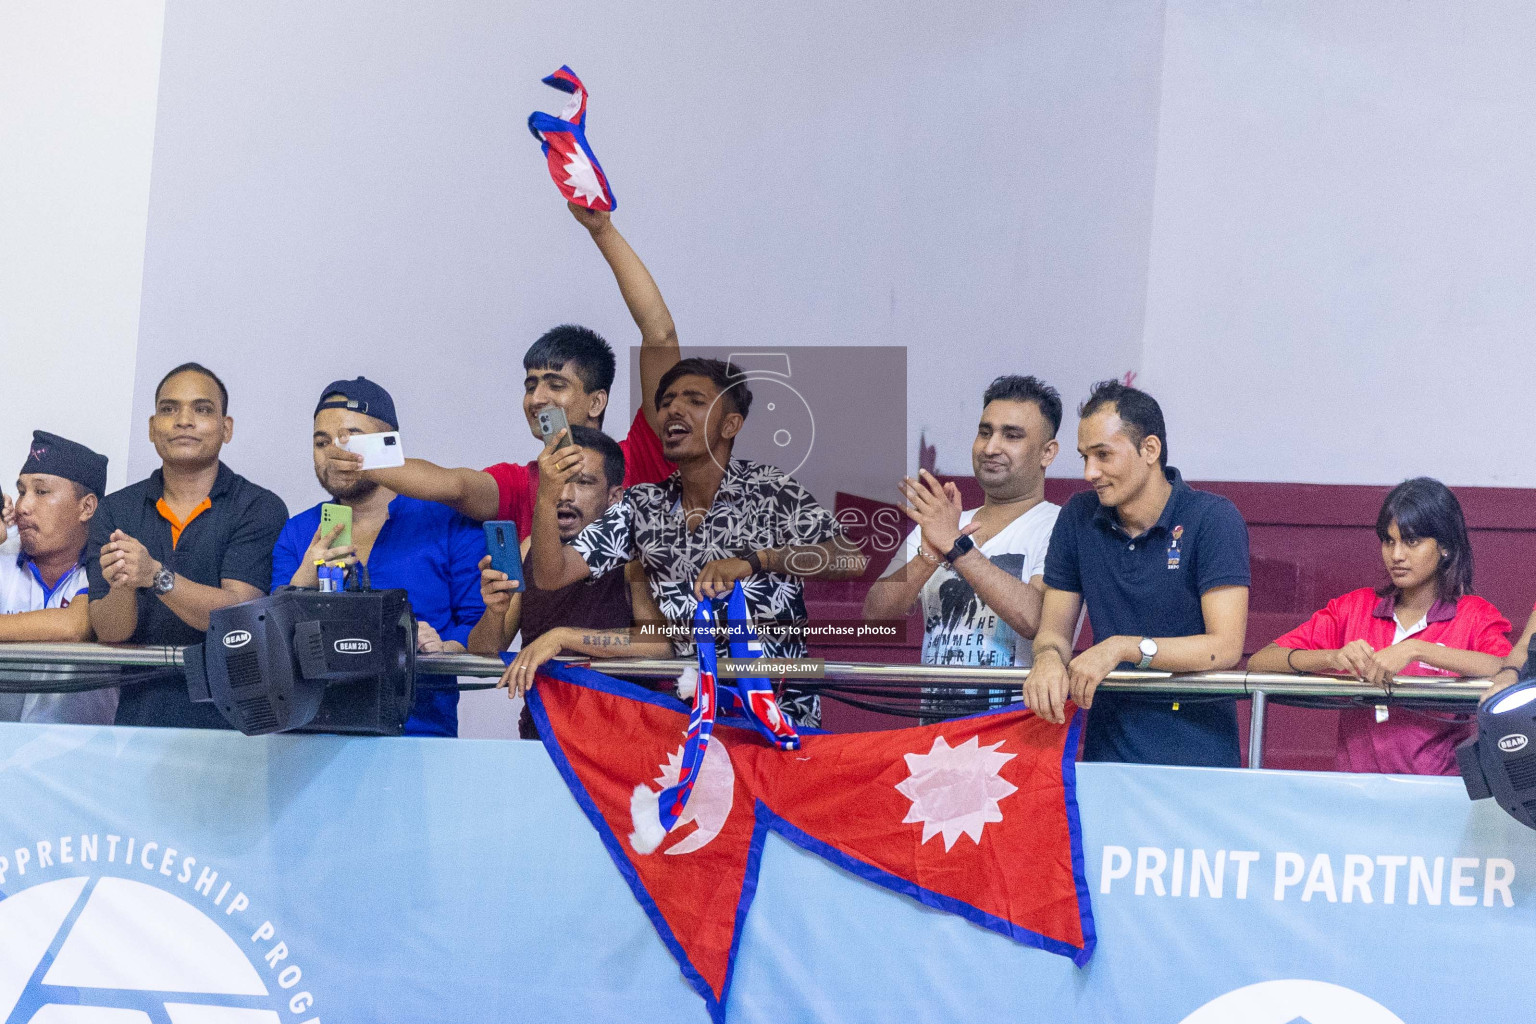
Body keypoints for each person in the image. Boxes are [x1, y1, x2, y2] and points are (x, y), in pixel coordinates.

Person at [528, 357, 869, 727]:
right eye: (666, 401)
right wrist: (546, 497)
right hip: (693, 723)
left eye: (694, 400)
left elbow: (850, 559)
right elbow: (552, 575)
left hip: (780, 720)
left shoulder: (770, 489)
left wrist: (758, 560)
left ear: (729, 424)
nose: (673, 409)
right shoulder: (643, 505)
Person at [319, 204, 679, 534]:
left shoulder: (641, 456)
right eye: (530, 384)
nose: (537, 398)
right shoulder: (520, 484)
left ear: (597, 402)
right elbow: (454, 485)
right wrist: (357, 457)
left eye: (556, 384)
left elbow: (660, 336)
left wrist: (602, 231)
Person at [1026, 380, 1250, 766]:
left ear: (1150, 449)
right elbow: (1054, 631)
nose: (1089, 472)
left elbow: (1224, 648)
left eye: (1103, 455)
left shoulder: (1213, 517)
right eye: (1084, 457)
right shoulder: (1077, 516)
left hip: (1198, 752)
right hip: (1108, 748)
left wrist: (1122, 647)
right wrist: (1047, 657)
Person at [270, 378, 486, 737]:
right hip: (311, 740)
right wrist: (305, 576)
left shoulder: (447, 522)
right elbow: (271, 638)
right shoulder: (298, 531)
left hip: (419, 736)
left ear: (391, 446)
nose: (334, 453)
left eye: (350, 439)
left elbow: (481, 627)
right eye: (321, 442)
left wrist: (446, 647)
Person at [1249, 477, 1510, 775]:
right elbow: (1261, 660)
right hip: (1357, 795)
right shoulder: (1353, 608)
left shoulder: (1475, 614)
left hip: (1441, 797)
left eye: (1411, 541)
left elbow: (1505, 667)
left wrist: (1416, 650)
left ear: (1446, 547)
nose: (1396, 555)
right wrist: (1332, 657)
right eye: (1389, 540)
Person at [87, 363, 289, 729]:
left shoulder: (258, 507)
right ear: (152, 428)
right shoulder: (116, 510)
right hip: (141, 718)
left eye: (202, 409)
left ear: (226, 429)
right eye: (169, 408)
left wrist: (155, 575)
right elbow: (111, 632)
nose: (184, 420)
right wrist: (123, 583)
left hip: (235, 722)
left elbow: (238, 615)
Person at [863, 375, 1063, 721]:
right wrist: (929, 554)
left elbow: (1037, 620)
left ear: (1048, 452)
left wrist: (957, 547)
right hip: (936, 732)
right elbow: (875, 615)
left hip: (1018, 737)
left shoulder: (1062, 526)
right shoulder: (940, 525)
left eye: (1012, 435)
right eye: (985, 432)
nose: (990, 447)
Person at [474, 426, 673, 730]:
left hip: (624, 739)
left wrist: (563, 637)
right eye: (558, 482)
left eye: (583, 482)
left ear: (613, 497)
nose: (565, 496)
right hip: (544, 736)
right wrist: (494, 611)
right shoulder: (528, 549)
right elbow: (481, 656)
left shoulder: (633, 555)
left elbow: (659, 643)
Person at [0, 431, 117, 724]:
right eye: (21, 490)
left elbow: (74, 626)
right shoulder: (5, 551)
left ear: (86, 507)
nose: (23, 506)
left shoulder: (109, 558)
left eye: (41, 492)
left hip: (81, 757)